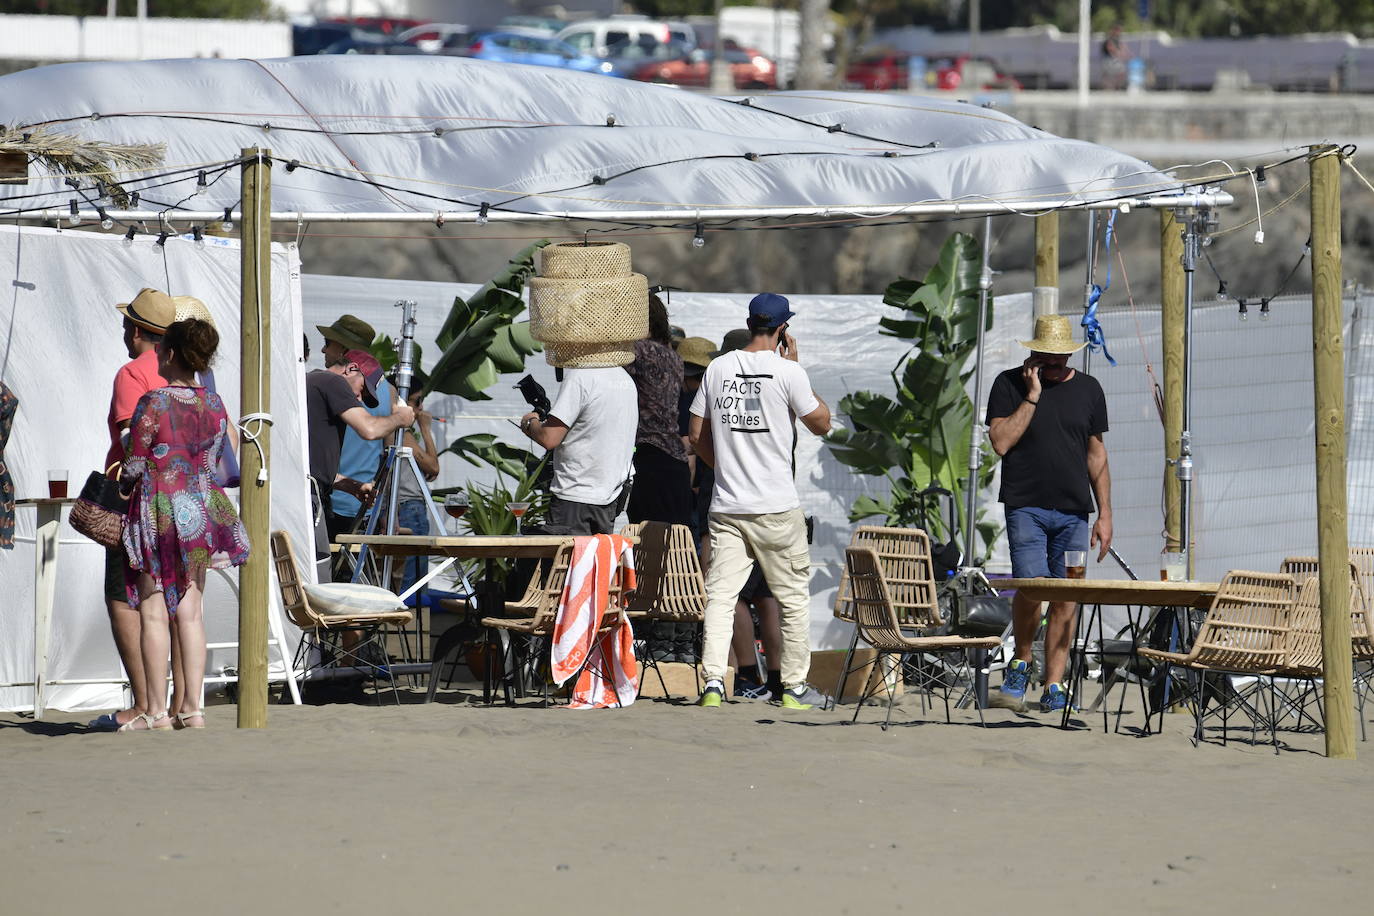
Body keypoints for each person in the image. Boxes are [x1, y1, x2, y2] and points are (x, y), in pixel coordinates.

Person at [689, 293, 832, 709]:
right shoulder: (787, 372)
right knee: (791, 600)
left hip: (728, 506)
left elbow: (697, 433)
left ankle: (714, 684)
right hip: (776, 507)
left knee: (719, 596)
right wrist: (796, 367)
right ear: (783, 329)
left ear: (750, 323)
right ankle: (791, 688)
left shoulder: (718, 368)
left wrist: (726, 470)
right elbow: (821, 424)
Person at [117, 318, 250, 731]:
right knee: (191, 612)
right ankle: (193, 707)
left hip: (158, 506)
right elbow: (214, 460)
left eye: (161, 349)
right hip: (201, 507)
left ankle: (156, 709)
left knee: (154, 611)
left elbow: (135, 464)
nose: (155, 353)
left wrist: (128, 453)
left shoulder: (153, 402)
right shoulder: (215, 404)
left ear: (170, 352)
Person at [986, 314, 1113, 714]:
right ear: (1035, 356)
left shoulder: (1090, 389)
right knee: (1033, 587)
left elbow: (1096, 455)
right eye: (1048, 360)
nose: (1056, 366)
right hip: (1026, 506)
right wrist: (1033, 395)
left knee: (1067, 598)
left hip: (1075, 512)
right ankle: (1022, 659)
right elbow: (1001, 443)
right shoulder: (1009, 384)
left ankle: (1054, 684)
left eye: (1062, 360)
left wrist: (1105, 513)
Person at [89, 288, 174, 730]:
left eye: (128, 325)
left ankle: (144, 703)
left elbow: (130, 440)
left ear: (137, 330)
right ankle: (178, 706)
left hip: (136, 496)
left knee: (123, 596)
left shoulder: (132, 373)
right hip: (185, 497)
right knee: (175, 599)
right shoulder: (187, 372)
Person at [305, 347, 415, 579]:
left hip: (309, 493)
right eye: (361, 390)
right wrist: (401, 418)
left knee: (315, 571)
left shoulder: (313, 381)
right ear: (352, 369)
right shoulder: (331, 381)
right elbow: (370, 429)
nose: (357, 399)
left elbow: (307, 465)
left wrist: (348, 484)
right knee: (318, 576)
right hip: (309, 500)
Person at [519, 357, 637, 536]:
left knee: (567, 563)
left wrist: (530, 422)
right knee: (596, 563)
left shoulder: (580, 376)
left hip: (575, 497)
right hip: (610, 496)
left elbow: (549, 438)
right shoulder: (625, 379)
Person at [394, 392, 441, 594]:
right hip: (409, 508)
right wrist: (425, 428)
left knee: (415, 576)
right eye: (416, 402)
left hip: (408, 507)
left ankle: (414, 621)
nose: (421, 408)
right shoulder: (402, 433)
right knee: (413, 581)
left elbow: (428, 468)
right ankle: (411, 622)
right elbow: (434, 467)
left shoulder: (401, 433)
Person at [1101, 23, 1130, 90]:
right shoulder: (1110, 39)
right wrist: (1118, 53)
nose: (1120, 33)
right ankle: (1110, 87)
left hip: (1113, 61)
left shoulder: (1117, 39)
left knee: (1121, 72)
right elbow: (1110, 48)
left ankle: (1116, 86)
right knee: (1114, 73)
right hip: (1108, 60)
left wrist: (1126, 54)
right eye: (1119, 31)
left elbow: (1123, 49)